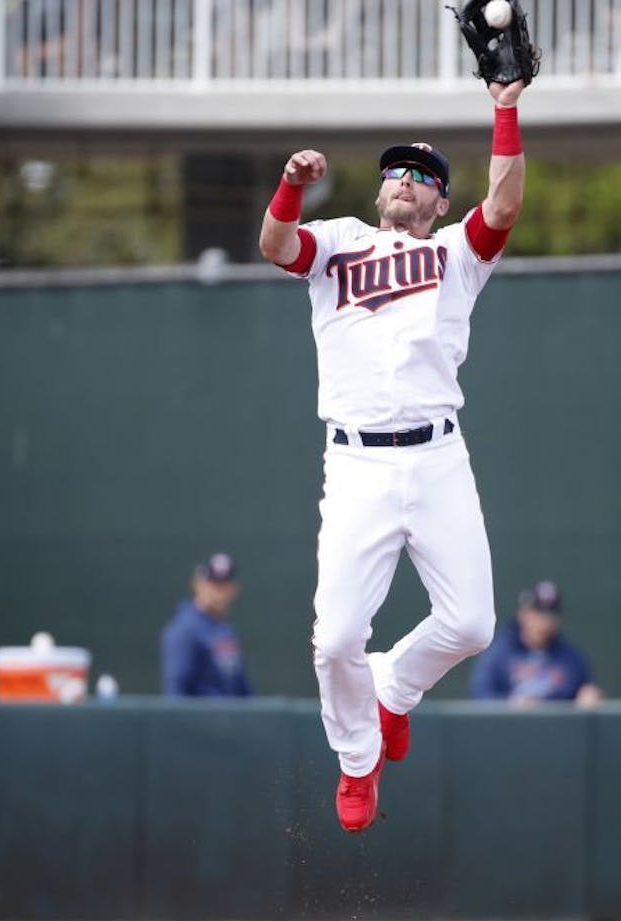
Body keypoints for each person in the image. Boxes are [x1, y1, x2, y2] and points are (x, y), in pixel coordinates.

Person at [257, 78, 529, 832]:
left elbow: (504, 205)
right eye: (396, 173)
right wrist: (289, 186)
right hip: (356, 464)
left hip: (438, 456)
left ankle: (396, 690)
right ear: (380, 191)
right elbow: (277, 246)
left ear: (441, 203)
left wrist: (504, 108)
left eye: (424, 178)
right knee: (336, 638)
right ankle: (355, 759)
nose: (406, 181)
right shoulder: (341, 242)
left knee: (473, 624)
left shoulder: (455, 255)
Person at [470, 580, 603, 707]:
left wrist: (588, 696)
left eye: (550, 615)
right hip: (511, 727)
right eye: (538, 613)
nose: (544, 622)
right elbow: (480, 695)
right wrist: (511, 704)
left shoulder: (570, 658)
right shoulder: (499, 651)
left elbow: (586, 692)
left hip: (556, 728)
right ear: (523, 614)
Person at [159, 552, 252, 698]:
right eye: (214, 584)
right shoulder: (184, 630)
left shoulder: (226, 630)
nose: (219, 593)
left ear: (234, 589)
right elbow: (176, 693)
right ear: (197, 584)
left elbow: (242, 688)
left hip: (233, 719)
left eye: (224, 586)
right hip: (203, 720)